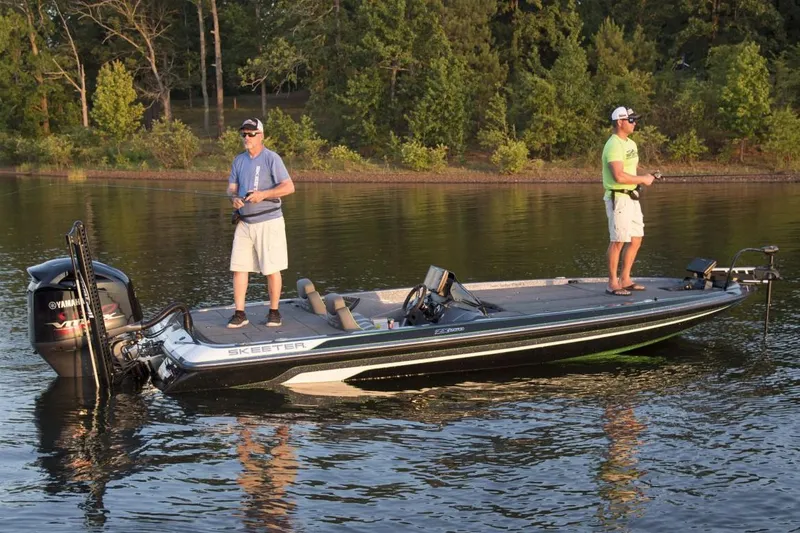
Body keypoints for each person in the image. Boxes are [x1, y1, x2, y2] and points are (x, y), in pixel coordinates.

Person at [227, 118, 295, 328]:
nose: (246, 138)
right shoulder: (239, 160)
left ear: (261, 135)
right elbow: (231, 188)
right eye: (244, 134)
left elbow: (289, 187)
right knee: (239, 268)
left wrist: (263, 195)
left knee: (272, 268)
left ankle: (274, 312)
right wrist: (234, 198)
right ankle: (240, 313)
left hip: (269, 221)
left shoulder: (271, 158)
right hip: (244, 222)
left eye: (251, 134)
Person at [602, 106, 656, 296]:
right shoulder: (613, 145)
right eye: (631, 120)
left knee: (636, 239)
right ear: (620, 122)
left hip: (632, 198)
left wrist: (646, 175)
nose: (635, 123)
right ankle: (612, 283)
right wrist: (643, 180)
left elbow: (630, 170)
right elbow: (618, 176)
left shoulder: (631, 144)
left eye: (635, 120)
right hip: (619, 198)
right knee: (618, 240)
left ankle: (625, 279)